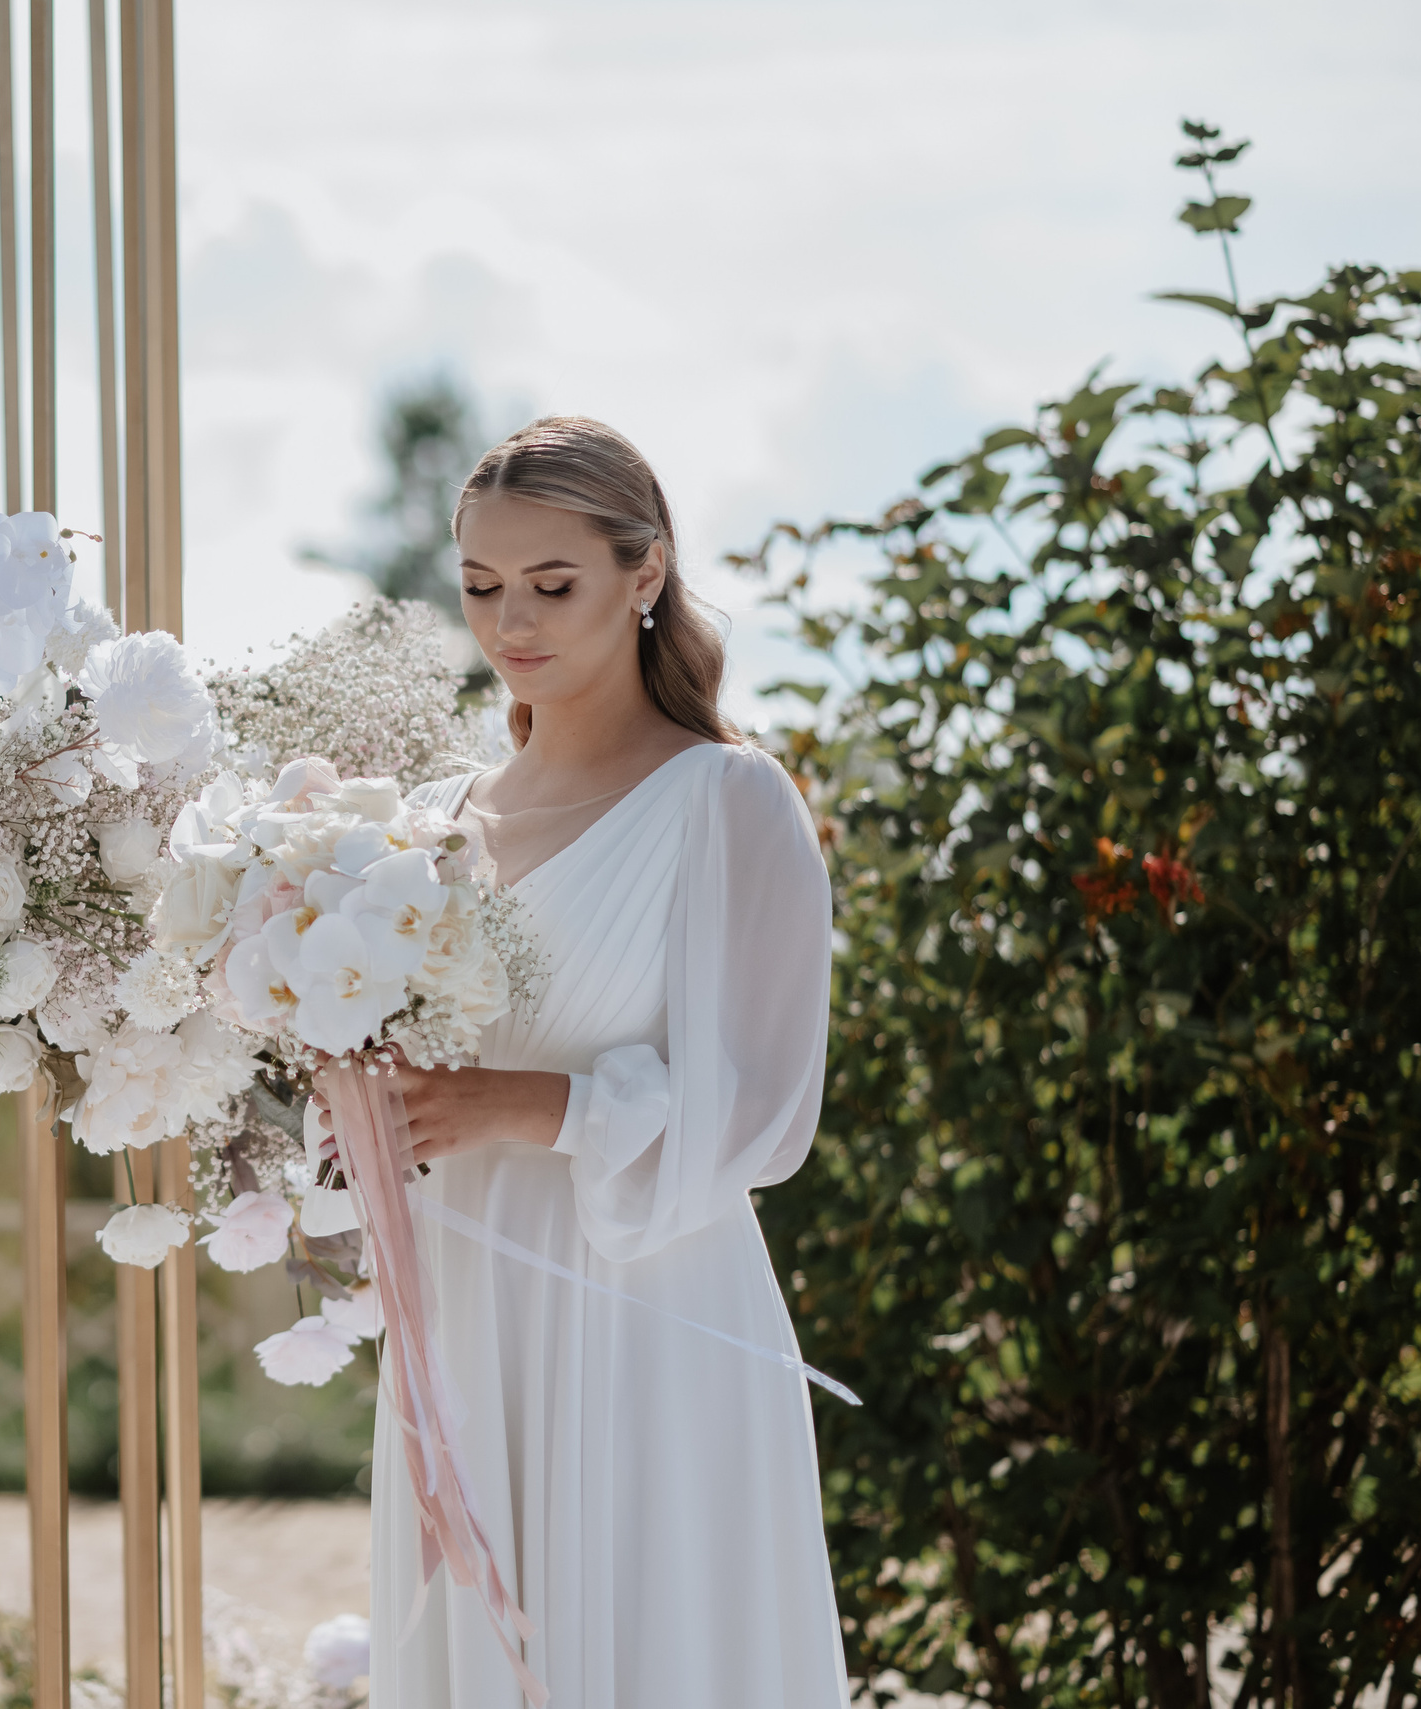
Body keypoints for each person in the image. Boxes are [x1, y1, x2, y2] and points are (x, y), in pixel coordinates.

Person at [362, 416, 846, 1705]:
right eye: (480, 587)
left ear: (646, 575)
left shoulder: (730, 802)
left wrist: (536, 1105)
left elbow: (766, 1106)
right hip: (467, 1301)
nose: (510, 622)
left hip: (647, 1307)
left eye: (550, 585)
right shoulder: (429, 825)